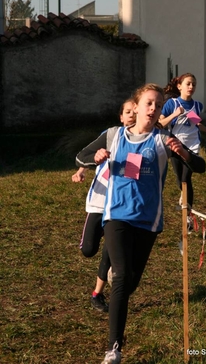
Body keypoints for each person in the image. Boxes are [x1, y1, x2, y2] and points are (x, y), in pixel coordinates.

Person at [75, 83, 206, 364]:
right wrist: (95, 158)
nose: (153, 109)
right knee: (122, 277)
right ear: (136, 106)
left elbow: (200, 166)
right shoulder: (113, 136)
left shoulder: (164, 139)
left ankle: (116, 284)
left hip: (148, 220)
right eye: (149, 103)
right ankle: (114, 349)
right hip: (116, 214)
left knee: (130, 282)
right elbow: (81, 156)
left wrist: (183, 154)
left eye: (158, 105)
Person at [72, 98, 135, 312]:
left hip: (118, 206)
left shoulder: (138, 144)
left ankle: (97, 294)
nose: (132, 116)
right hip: (98, 202)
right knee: (88, 250)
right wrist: (85, 168)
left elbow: (132, 176)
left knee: (110, 250)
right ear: (121, 116)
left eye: (135, 112)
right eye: (128, 112)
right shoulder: (111, 135)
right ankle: (98, 235)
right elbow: (85, 156)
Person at [160, 73, 206, 231]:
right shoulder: (171, 104)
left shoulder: (196, 105)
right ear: (179, 86)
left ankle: (188, 217)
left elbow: (196, 123)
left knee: (187, 179)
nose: (191, 87)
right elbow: (160, 123)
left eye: (194, 84)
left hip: (192, 147)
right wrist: (175, 114)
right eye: (188, 84)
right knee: (180, 180)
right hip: (175, 146)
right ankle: (183, 195)